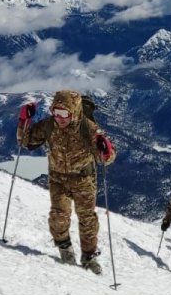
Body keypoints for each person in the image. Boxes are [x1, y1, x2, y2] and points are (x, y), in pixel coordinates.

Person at [20, 90, 116, 274]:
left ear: (74, 111)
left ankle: (89, 257)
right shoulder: (49, 125)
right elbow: (26, 141)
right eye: (56, 112)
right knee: (58, 216)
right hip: (58, 179)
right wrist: (24, 121)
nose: (60, 118)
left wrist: (106, 150)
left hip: (84, 180)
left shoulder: (88, 128)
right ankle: (65, 248)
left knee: (87, 220)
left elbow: (106, 158)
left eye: (65, 113)